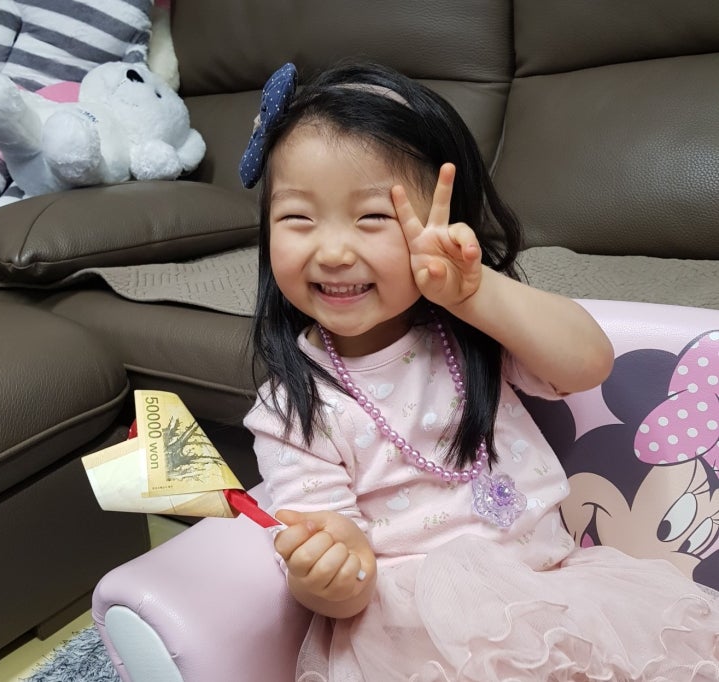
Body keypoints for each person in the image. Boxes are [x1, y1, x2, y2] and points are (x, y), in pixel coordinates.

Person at [240, 61, 719, 681]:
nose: (332, 251)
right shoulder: (292, 409)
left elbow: (588, 363)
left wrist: (476, 295)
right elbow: (340, 574)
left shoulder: (467, 330)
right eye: (298, 219)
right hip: (415, 638)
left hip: (558, 597)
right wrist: (327, 573)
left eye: (374, 218)